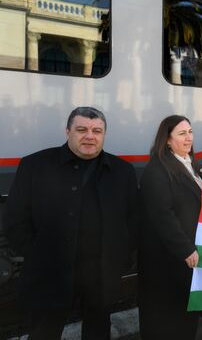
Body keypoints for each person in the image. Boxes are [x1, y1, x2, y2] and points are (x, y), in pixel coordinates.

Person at [4, 107, 138, 340]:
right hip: (50, 274)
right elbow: (15, 219)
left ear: (104, 134)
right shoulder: (35, 166)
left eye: (97, 130)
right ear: (68, 131)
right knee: (44, 333)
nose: (90, 136)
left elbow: (134, 220)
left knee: (97, 332)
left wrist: (121, 257)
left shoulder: (122, 171)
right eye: (81, 129)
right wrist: (36, 254)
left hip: (100, 275)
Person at [138, 115, 202, 339]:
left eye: (190, 132)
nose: (189, 138)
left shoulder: (192, 165)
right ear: (167, 139)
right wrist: (185, 249)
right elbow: (161, 215)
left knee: (184, 318)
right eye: (182, 133)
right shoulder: (157, 170)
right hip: (168, 261)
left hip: (186, 259)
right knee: (165, 320)